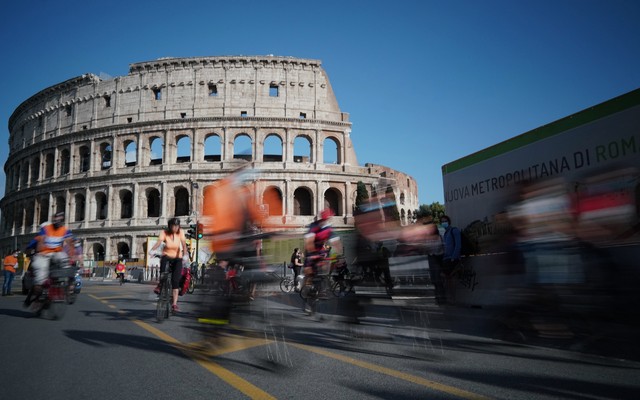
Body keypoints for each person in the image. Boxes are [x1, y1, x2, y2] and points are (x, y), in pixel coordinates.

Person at [25, 212, 75, 306]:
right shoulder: (45, 229)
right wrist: (32, 249)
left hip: (56, 254)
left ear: (63, 221)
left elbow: (70, 243)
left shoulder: (65, 230)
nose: (58, 222)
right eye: (56, 219)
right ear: (53, 220)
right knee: (40, 272)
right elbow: (38, 241)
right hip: (43, 254)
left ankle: (68, 282)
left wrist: (72, 257)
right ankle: (38, 290)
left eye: (60, 220)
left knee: (64, 258)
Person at [150, 218, 188, 313]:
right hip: (166, 255)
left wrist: (185, 254)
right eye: (173, 226)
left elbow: (183, 244)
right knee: (163, 269)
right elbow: (159, 242)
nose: (175, 228)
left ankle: (174, 304)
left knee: (175, 281)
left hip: (177, 258)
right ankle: (160, 285)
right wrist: (152, 250)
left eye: (177, 226)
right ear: (169, 226)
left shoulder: (181, 232)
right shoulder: (164, 232)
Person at [440, 215, 461, 303]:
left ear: (448, 221)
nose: (443, 223)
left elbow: (458, 245)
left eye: (445, 221)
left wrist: (453, 257)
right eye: (442, 221)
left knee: (451, 280)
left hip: (452, 259)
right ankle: (451, 298)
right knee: (447, 279)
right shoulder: (445, 233)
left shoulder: (454, 230)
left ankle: (453, 298)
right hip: (446, 259)